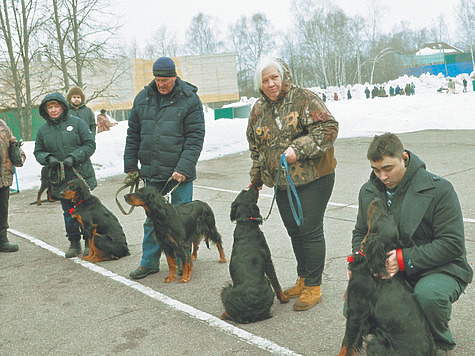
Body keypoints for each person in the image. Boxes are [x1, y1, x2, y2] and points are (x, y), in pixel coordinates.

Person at [350, 132, 472, 355]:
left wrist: (403, 259)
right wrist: (360, 262)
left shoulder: (439, 189)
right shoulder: (368, 191)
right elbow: (360, 233)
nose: (382, 176)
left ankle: (439, 342)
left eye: (388, 168)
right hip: (388, 269)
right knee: (353, 302)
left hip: (439, 267)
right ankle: (391, 339)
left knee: (428, 295)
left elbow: (452, 244)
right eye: (376, 170)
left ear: (404, 158)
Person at [247, 57, 338, 311]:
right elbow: (256, 148)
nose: (271, 83)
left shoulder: (304, 98)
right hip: (283, 182)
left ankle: (314, 286)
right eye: (265, 80)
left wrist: (299, 148)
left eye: (274, 77)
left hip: (314, 177)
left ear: (283, 76)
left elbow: (329, 128)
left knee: (309, 229)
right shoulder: (257, 110)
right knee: (294, 231)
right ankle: (303, 277)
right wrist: (256, 179)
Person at [124, 56, 205, 280]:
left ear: (175, 77)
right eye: (158, 79)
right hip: (152, 172)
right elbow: (133, 134)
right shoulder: (143, 98)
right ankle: (148, 262)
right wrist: (130, 164)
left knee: (180, 221)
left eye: (166, 80)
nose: (161, 84)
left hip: (179, 175)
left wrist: (184, 167)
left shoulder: (189, 99)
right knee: (152, 221)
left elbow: (195, 137)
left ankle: (182, 262)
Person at [34, 93, 97, 258]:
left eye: (56, 106)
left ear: (63, 107)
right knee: (68, 212)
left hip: (80, 174)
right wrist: (48, 158)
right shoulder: (43, 130)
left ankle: (89, 242)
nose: (54, 110)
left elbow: (90, 144)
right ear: (46, 110)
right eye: (50, 107)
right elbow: (38, 151)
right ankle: (74, 242)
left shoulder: (77, 123)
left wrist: (75, 157)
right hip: (60, 178)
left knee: (85, 211)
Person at [0, 119, 25, 252]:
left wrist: (18, 153)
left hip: (3, 175)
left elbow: (12, 141)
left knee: (2, 209)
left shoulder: (2, 123)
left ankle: (2, 240)